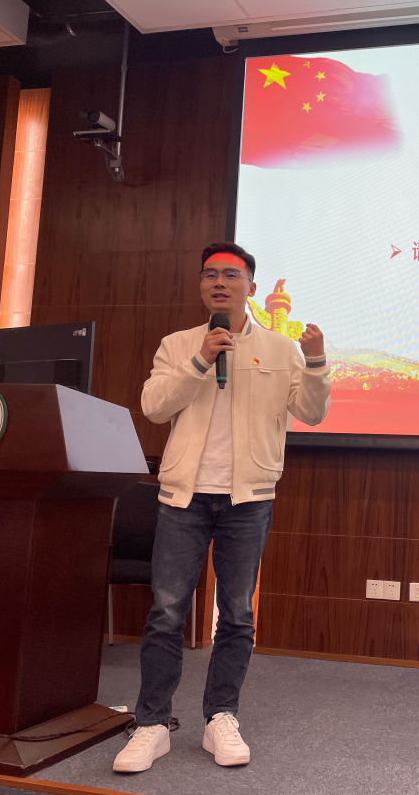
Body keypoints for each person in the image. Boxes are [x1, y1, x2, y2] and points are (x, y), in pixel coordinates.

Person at [112, 242, 330, 773]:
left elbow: (311, 412)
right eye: (210, 274)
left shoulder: (281, 349)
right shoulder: (179, 344)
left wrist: (317, 361)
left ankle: (221, 718)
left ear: (251, 287)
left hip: (247, 499)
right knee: (166, 613)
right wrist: (201, 359)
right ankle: (152, 723)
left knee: (236, 614)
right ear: (201, 286)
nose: (219, 282)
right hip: (183, 497)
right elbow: (154, 406)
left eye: (231, 275)